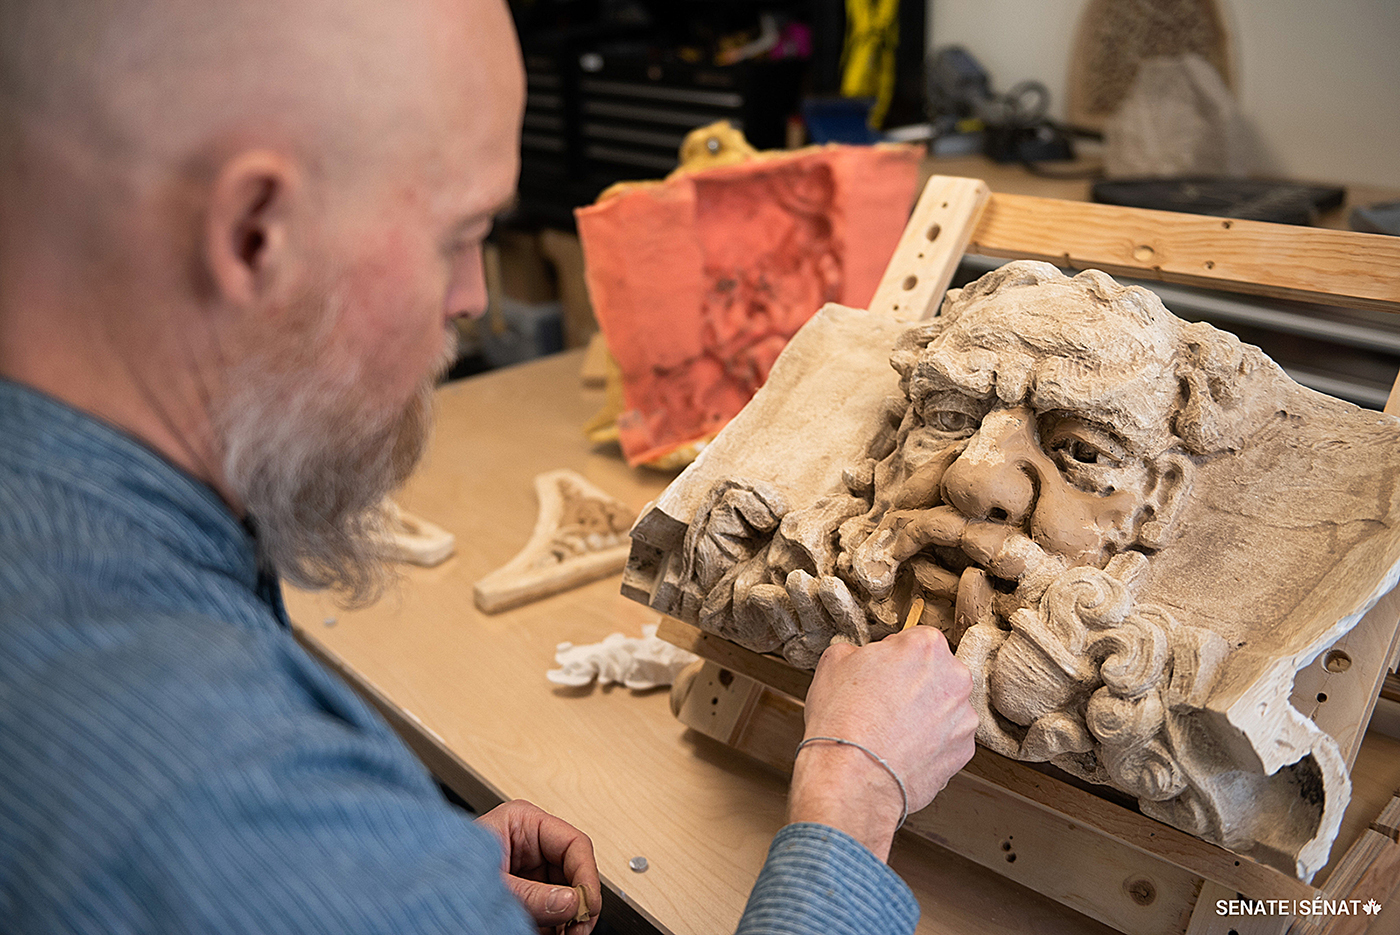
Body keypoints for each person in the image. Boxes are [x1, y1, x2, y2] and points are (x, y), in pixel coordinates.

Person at [0, 1, 977, 933]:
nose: (471, 297)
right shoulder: (213, 788)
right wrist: (850, 798)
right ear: (257, 233)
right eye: (459, 236)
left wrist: (401, 873)